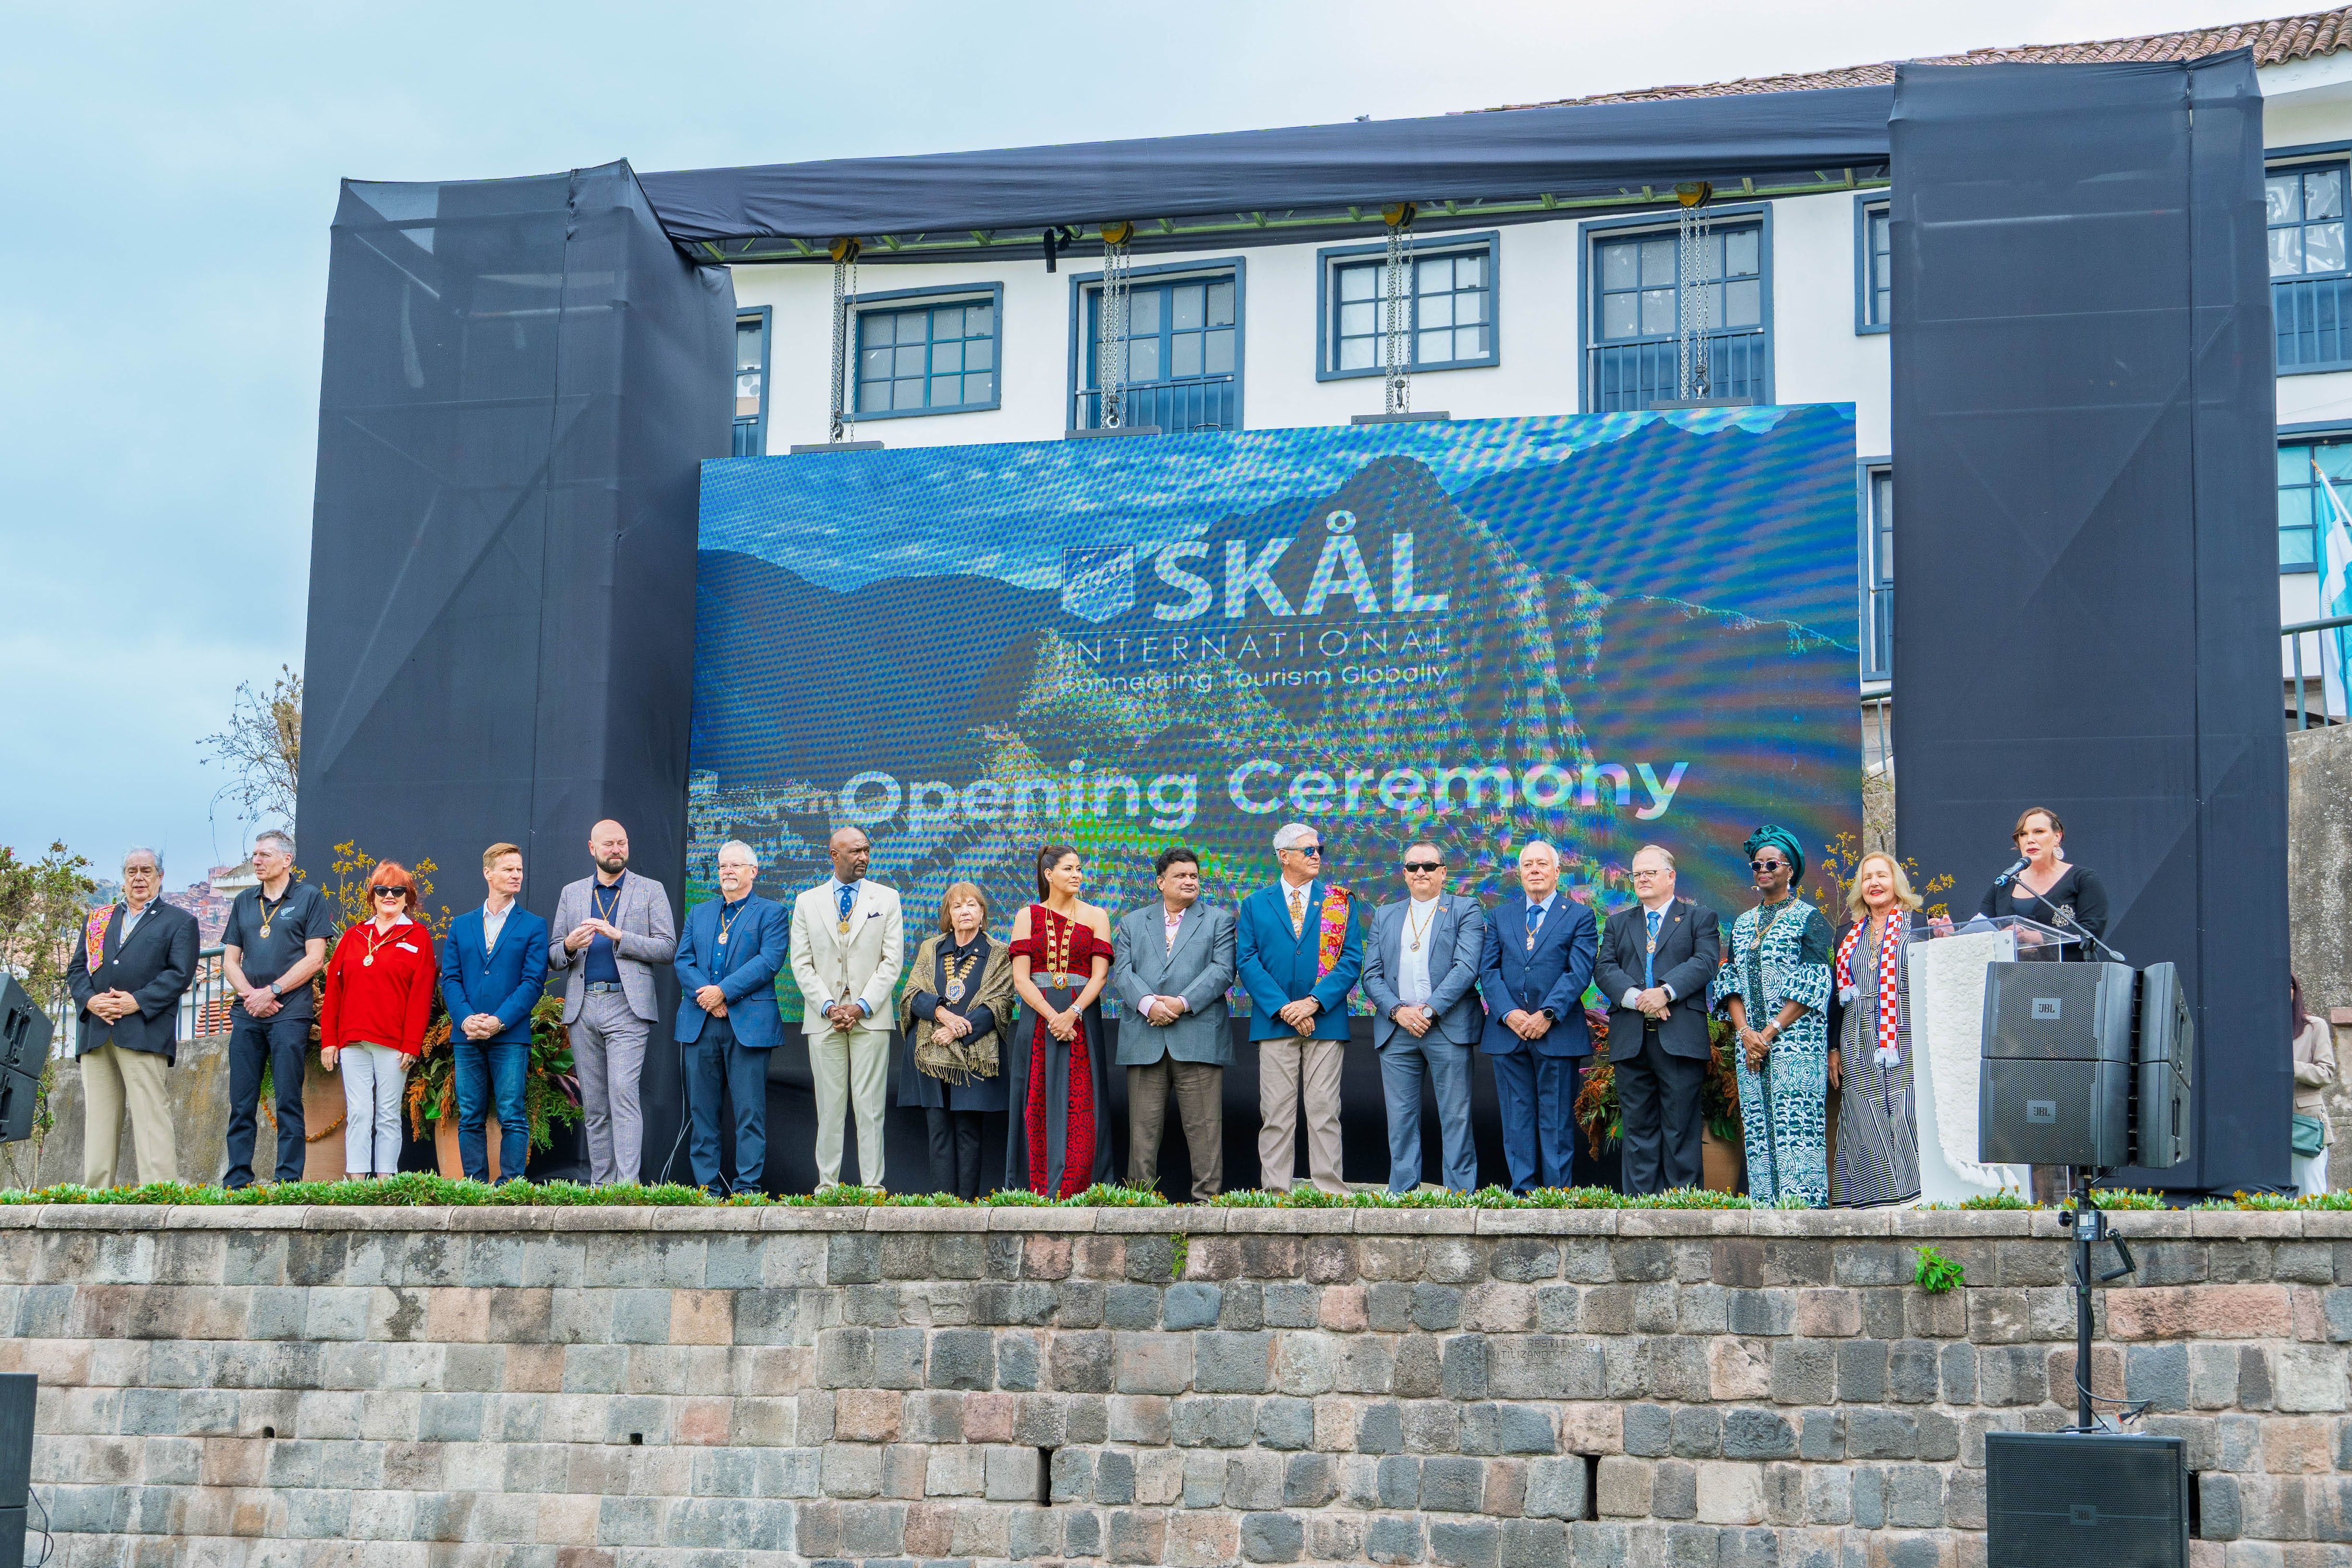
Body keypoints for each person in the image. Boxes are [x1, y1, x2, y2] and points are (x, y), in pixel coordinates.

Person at [1709, 826, 1836, 1207]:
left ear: (1790, 870)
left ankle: (1805, 1218)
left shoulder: (1810, 919)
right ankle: (1764, 1215)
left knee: (1798, 1134)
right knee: (1759, 1135)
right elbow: (1729, 982)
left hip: (1796, 1046)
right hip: (1750, 1049)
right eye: (1757, 865)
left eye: (1771, 864)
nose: (1763, 870)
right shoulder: (1743, 923)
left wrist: (1767, 1033)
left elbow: (1813, 984)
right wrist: (1746, 1033)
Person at [549, 819, 677, 1186]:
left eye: (622, 842)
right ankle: (601, 1186)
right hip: (583, 1006)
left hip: (627, 1006)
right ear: (592, 848)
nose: (617, 849)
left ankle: (627, 1188)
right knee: (594, 1104)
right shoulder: (572, 892)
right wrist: (570, 945)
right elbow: (555, 955)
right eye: (608, 844)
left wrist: (621, 936)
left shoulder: (650, 890)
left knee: (623, 1095)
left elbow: (668, 948)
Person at [1237, 823, 1363, 1194]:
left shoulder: (1340, 901)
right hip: (1275, 1023)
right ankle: (1276, 1193)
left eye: (1319, 849)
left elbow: (1351, 960)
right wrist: (1284, 1008)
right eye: (1308, 850)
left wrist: (1312, 1004)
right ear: (1284, 856)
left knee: (1325, 1111)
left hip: (1325, 1020)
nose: (1317, 855)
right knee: (1276, 1113)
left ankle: (1330, 1192)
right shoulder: (1255, 903)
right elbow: (1247, 961)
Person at [66, 846, 199, 1188]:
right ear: (124, 878)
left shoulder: (180, 922)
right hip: (97, 1032)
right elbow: (77, 970)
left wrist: (136, 1002)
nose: (139, 878)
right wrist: (90, 1001)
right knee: (98, 1119)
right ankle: (96, 1196)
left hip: (144, 1030)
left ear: (160, 877)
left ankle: (158, 1194)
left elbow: (179, 975)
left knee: (151, 1115)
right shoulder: (98, 920)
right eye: (132, 871)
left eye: (146, 871)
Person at [1595, 844, 1722, 1196]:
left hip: (1679, 1039)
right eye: (1637, 874)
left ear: (1671, 876)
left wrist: (1665, 993)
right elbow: (1604, 969)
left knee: (1681, 1130)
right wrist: (1640, 1000)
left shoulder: (1699, 918)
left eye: (1650, 872)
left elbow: (1705, 962)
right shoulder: (1618, 923)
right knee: (1638, 1132)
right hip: (1631, 1040)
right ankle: (1639, 1212)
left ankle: (1683, 1211)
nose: (1642, 879)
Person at [1110, 847, 1237, 1202]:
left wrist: (1181, 1003)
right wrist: (1149, 1005)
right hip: (1144, 1036)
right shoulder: (1133, 922)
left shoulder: (1219, 920)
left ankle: (1207, 1202)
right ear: (1160, 882)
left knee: (1205, 1129)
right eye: (1181, 875)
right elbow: (1122, 973)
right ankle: (1139, 1204)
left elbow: (1223, 970)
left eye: (1194, 876)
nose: (1189, 881)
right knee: (1143, 1130)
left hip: (1199, 1036)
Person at [1360, 840, 1487, 1194]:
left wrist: (1428, 1011)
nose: (1420, 872)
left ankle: (1460, 1197)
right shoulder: (1385, 914)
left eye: (1429, 866)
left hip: (1447, 1026)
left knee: (1456, 1116)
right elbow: (1371, 975)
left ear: (1443, 873)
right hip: (1397, 1028)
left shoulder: (1465, 909)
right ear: (1404, 874)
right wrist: (1399, 1012)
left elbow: (1466, 969)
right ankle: (1402, 1196)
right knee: (1400, 1119)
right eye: (1413, 867)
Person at [1477, 839, 1598, 1194]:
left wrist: (1547, 1014)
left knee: (1556, 1120)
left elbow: (1579, 972)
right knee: (1516, 1120)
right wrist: (1509, 1014)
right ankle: (1522, 1192)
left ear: (1557, 871)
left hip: (1557, 1033)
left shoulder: (1579, 915)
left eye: (1542, 864)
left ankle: (1556, 1197)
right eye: (1528, 864)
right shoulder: (1500, 916)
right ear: (1520, 873)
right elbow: (1489, 971)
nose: (1534, 870)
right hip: (1508, 1033)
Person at [789, 827, 904, 1189]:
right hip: (824, 1019)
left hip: (870, 1018)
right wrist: (828, 1007)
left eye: (867, 850)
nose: (864, 857)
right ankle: (828, 1187)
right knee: (829, 1109)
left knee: (871, 1108)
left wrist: (861, 1006)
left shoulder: (887, 898)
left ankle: (873, 1188)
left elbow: (892, 962)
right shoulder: (807, 901)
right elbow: (801, 964)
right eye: (855, 851)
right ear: (834, 855)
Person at [673, 840, 789, 1196]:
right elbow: (683, 961)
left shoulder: (772, 913)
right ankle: (707, 1189)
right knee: (702, 1112)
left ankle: (746, 1189)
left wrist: (723, 992)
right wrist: (709, 999)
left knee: (750, 1114)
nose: (727, 871)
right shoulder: (700, 912)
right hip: (701, 1024)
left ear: (753, 871)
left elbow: (769, 962)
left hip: (749, 1027)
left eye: (736, 865)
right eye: (723, 866)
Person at [219, 830, 330, 1188]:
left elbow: (315, 959)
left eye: (265, 855)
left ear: (287, 860)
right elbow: (230, 961)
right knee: (241, 1101)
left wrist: (273, 991)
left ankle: (287, 1181)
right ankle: (237, 1181)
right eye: (255, 855)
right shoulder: (244, 901)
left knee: (288, 1099)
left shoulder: (309, 898)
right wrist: (252, 995)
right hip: (248, 1012)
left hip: (290, 1012)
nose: (257, 861)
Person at [1006, 845, 1117, 1197]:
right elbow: (1021, 978)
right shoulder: (1027, 915)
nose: (1077, 875)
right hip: (1038, 1018)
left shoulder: (1097, 915)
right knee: (1036, 1097)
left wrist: (1073, 1013)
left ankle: (1082, 1188)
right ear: (1049, 874)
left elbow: (1100, 976)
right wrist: (1054, 1016)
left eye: (1079, 868)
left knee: (1084, 1101)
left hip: (1082, 1017)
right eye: (1069, 869)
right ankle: (1035, 1188)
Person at [437, 843, 550, 1183]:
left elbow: (533, 982)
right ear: (488, 873)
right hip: (467, 1035)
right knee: (470, 1115)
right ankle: (474, 1187)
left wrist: (499, 1021)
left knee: (512, 1114)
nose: (517, 875)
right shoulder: (461, 925)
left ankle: (510, 1187)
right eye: (508, 869)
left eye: (519, 869)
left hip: (510, 1035)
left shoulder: (533, 925)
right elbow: (450, 978)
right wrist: (465, 1019)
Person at [897, 882, 1016, 1200]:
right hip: (932, 1052)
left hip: (973, 1053)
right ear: (948, 915)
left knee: (968, 1133)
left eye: (972, 905)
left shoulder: (999, 953)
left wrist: (956, 1030)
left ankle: (967, 1210)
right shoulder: (931, 948)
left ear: (982, 913)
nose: (965, 911)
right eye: (957, 906)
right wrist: (943, 1015)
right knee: (938, 1132)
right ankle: (943, 1208)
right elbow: (912, 994)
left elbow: (1001, 1003)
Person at [318, 861, 436, 1179]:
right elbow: (334, 992)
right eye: (382, 890)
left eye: (397, 890)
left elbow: (421, 995)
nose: (389, 896)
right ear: (372, 896)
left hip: (394, 1043)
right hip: (353, 1040)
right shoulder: (354, 936)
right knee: (358, 1112)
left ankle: (385, 1183)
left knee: (387, 1114)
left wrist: (412, 1044)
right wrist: (329, 1039)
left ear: (408, 897)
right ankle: (357, 1183)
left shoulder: (418, 937)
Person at [1831, 852, 1923, 1207]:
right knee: (1864, 1115)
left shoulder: (1918, 926)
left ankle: (1913, 1199)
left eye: (1882, 875)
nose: (1874, 883)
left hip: (1904, 1033)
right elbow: (1835, 997)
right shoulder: (1847, 935)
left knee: (1905, 1110)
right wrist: (1833, 1048)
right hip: (1857, 1036)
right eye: (1867, 877)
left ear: (1896, 882)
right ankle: (1872, 1201)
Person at [1977, 807, 2110, 956]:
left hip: (2068, 970)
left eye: (2039, 832)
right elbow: (1980, 931)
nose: (2030, 840)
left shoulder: (2083, 879)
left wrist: (2036, 937)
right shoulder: (2004, 883)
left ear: (2057, 837)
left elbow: (2091, 932)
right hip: (2012, 971)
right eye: (2023, 834)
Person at [2292, 976, 2336, 1199]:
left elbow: (2325, 1073)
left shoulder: (2314, 1026)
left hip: (2304, 1123)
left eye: (2287, 987)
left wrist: (2288, 1066)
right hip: (2267, 1124)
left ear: (2295, 991)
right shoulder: (2261, 1029)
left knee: (2312, 1194)